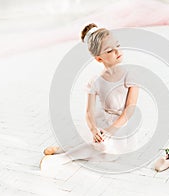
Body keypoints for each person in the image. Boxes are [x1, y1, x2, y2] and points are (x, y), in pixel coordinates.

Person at [40, 23, 140, 170]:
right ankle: (63, 155)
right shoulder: (95, 81)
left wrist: (111, 130)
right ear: (99, 59)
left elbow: (129, 109)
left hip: (122, 125)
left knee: (107, 151)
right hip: (103, 123)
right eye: (110, 50)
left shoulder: (130, 75)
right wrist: (94, 130)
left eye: (117, 45)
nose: (117, 51)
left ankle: (65, 155)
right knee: (100, 144)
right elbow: (89, 112)